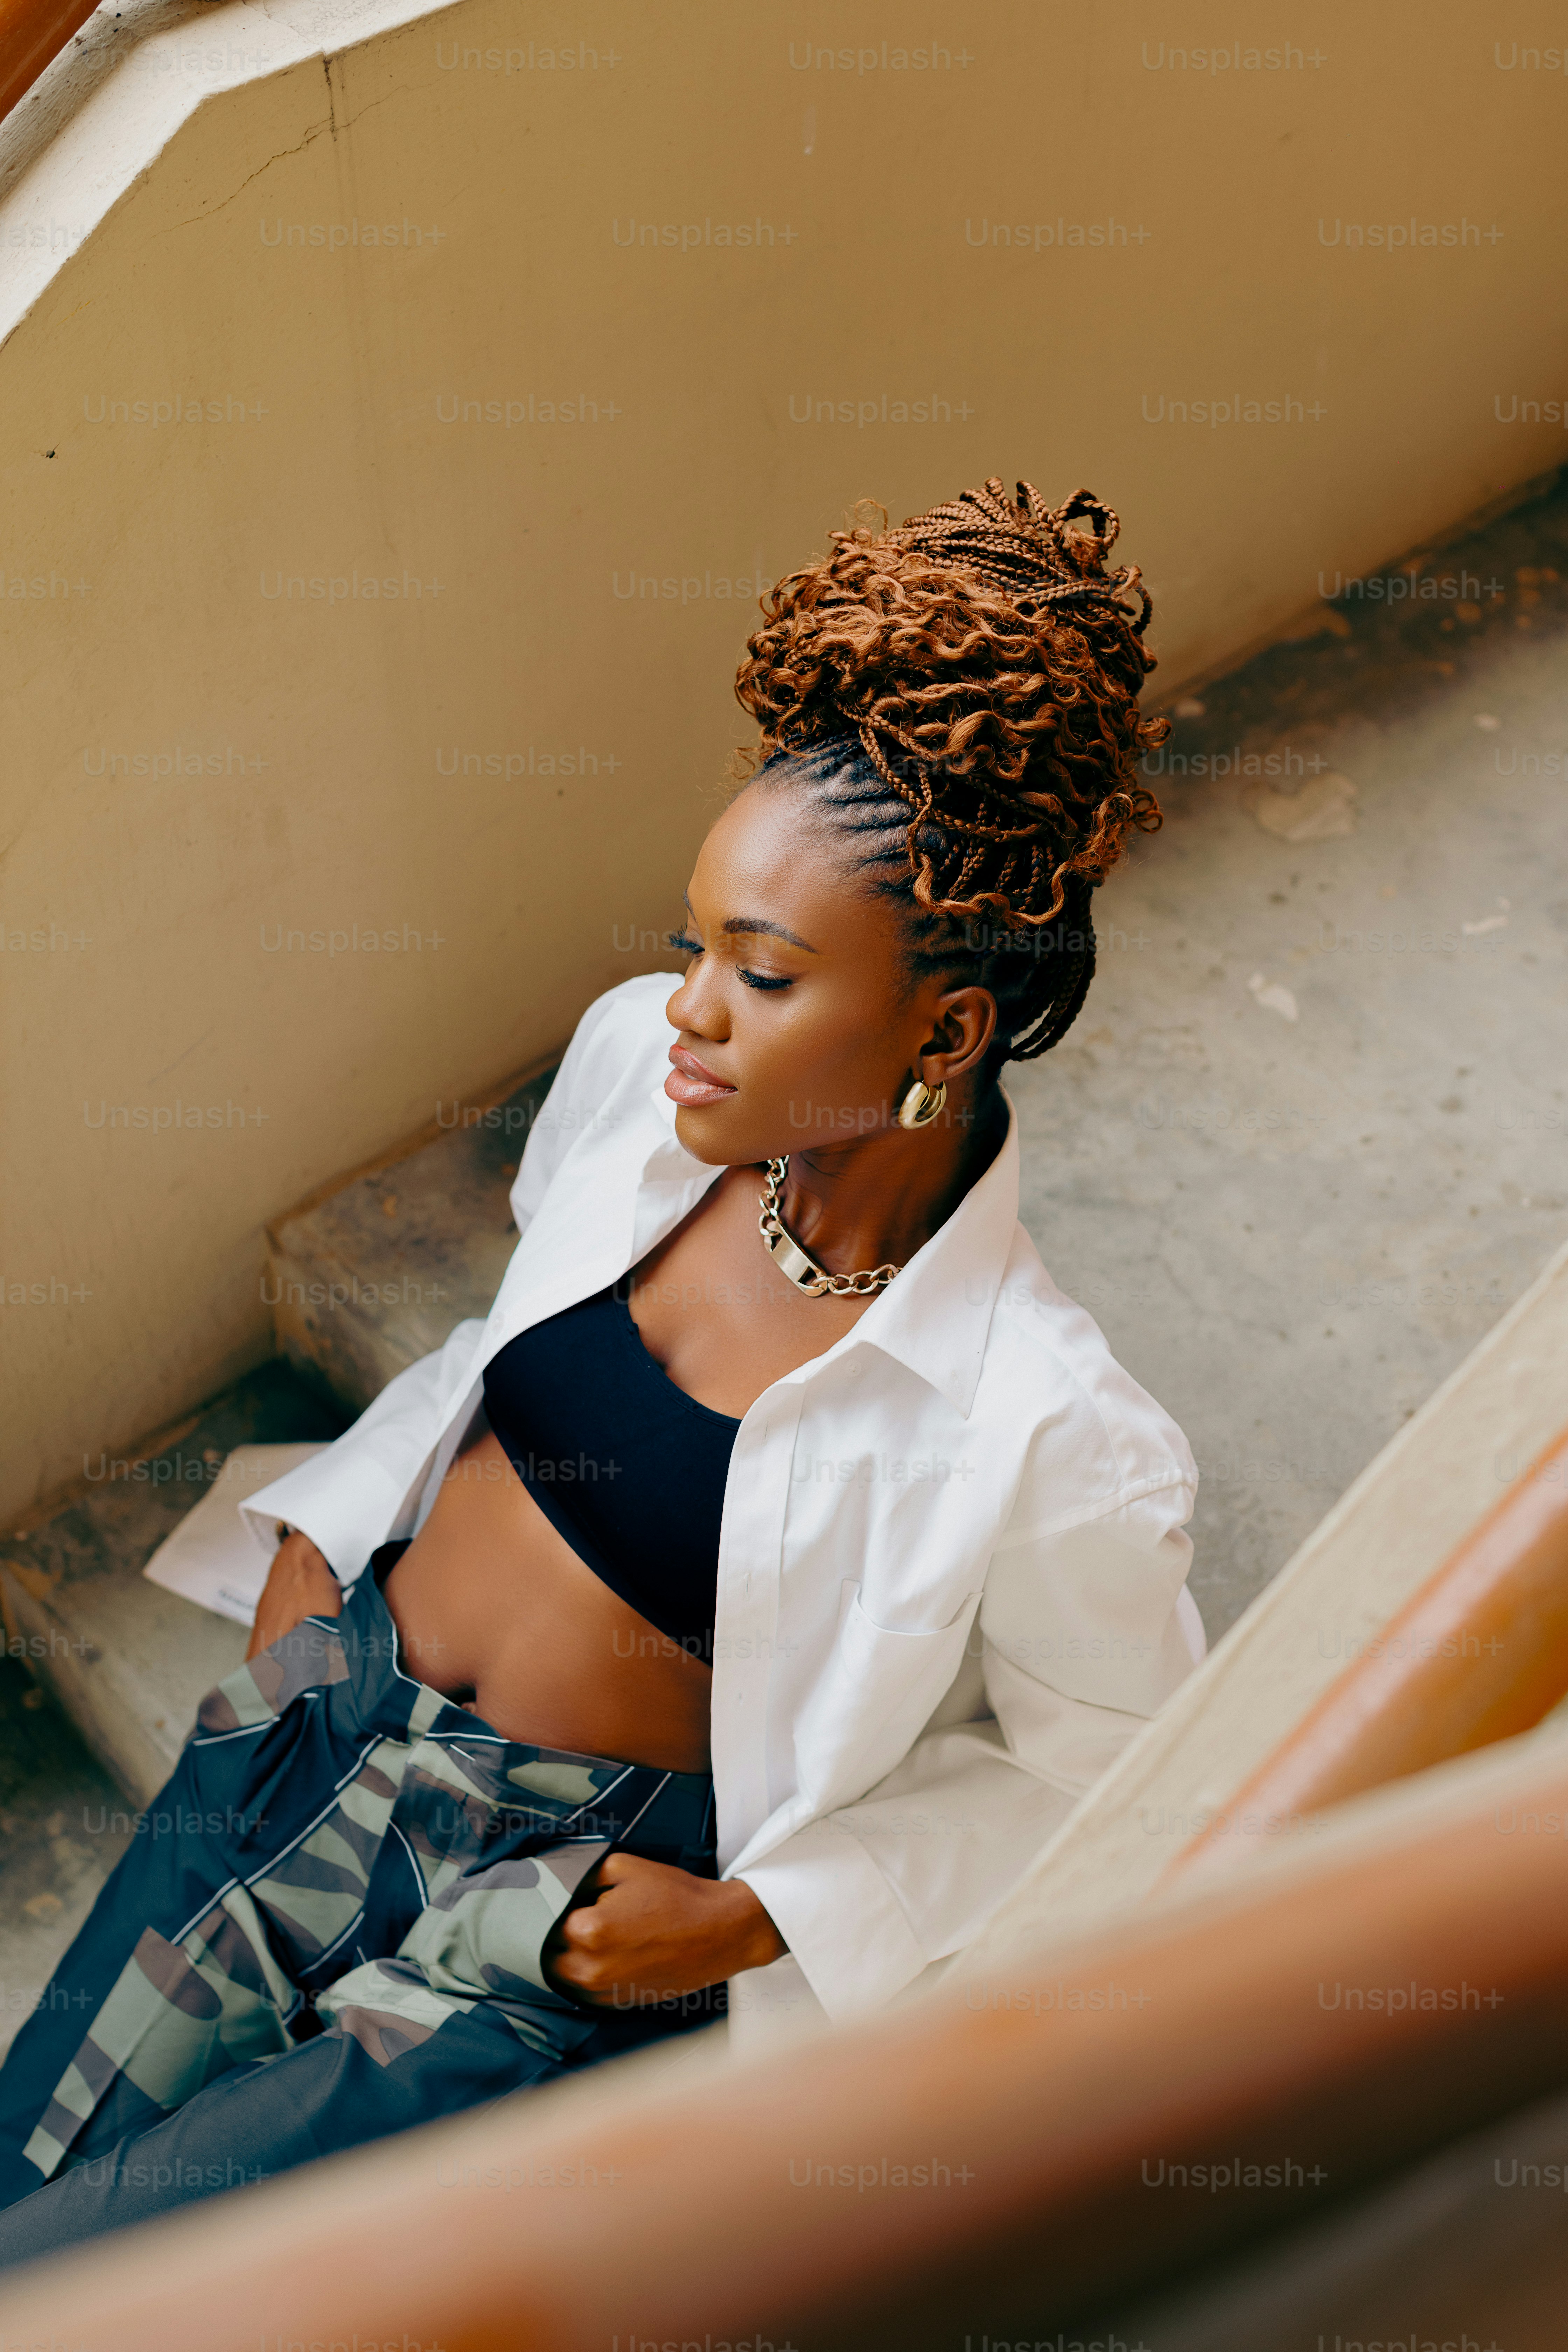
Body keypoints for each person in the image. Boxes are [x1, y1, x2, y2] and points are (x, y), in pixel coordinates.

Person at [0, 476, 1203, 2258]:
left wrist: (753, 1921)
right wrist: (324, 1547)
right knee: (27, 2176)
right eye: (692, 943)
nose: (690, 1009)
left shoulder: (1045, 1430)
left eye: (764, 971)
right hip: (309, 1734)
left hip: (545, 1915)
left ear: (943, 1028)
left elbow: (1109, 1774)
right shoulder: (640, 1075)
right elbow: (507, 1353)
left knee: (91, 2287)